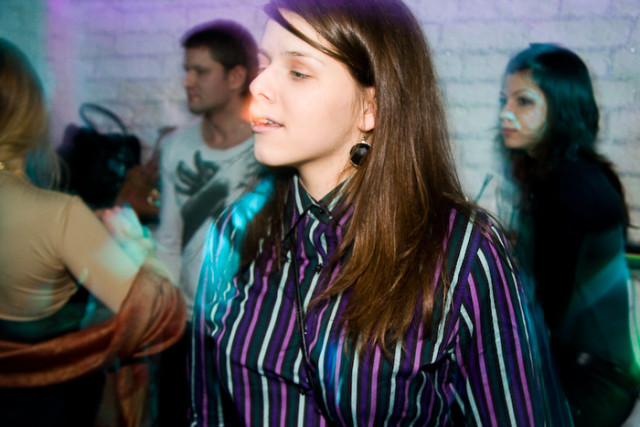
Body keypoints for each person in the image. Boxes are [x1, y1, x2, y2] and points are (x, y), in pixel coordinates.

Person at [188, 1, 571, 425]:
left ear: (371, 107)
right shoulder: (235, 233)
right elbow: (206, 413)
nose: (259, 85)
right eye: (263, 65)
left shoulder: (463, 252)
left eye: (297, 72)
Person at [0, 38, 186, 426]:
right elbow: (162, 316)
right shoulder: (59, 216)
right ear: (28, 111)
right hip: (47, 409)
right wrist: (135, 244)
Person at [497, 43, 640, 426]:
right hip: (591, 370)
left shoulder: (569, 187)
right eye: (504, 100)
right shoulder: (571, 174)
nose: (506, 112)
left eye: (524, 101)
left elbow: (542, 306)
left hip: (589, 382)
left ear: (561, 108)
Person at [154, 19, 262, 316]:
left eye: (200, 72)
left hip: (253, 321)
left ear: (236, 77)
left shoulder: (272, 147)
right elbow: (169, 239)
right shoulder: (175, 145)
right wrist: (167, 313)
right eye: (187, 70)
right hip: (190, 318)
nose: (187, 82)